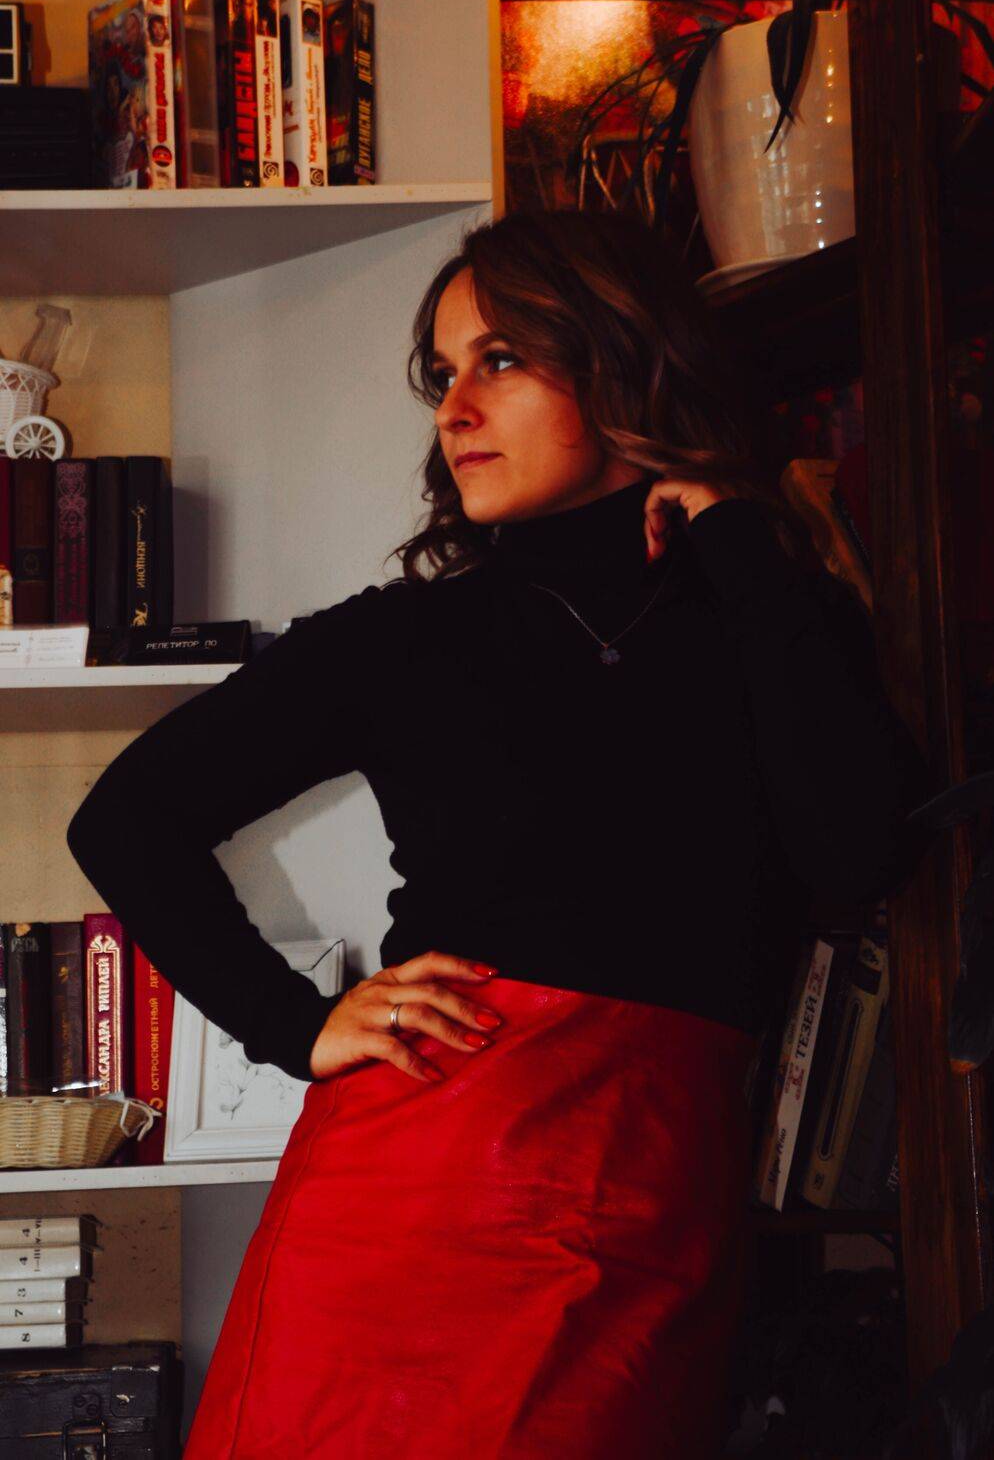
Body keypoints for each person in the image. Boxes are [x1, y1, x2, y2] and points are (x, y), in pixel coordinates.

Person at [65, 208, 933, 1458]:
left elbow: (861, 851)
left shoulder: (771, 616)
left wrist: (734, 539)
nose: (454, 409)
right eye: (442, 374)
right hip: (403, 1205)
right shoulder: (406, 638)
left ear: (623, 361)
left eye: (502, 359)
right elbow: (128, 818)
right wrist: (295, 1025)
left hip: (650, 1212)